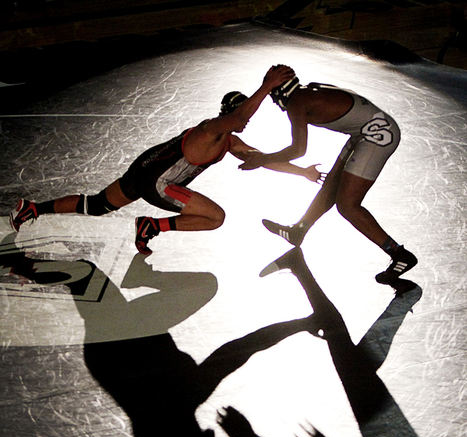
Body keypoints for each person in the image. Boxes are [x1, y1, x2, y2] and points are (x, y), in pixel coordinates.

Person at [9, 66, 324, 256]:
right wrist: (267, 86)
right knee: (216, 217)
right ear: (227, 114)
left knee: (97, 205)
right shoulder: (213, 128)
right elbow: (240, 115)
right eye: (239, 116)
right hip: (161, 183)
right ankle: (152, 226)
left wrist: (302, 173)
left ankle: (33, 208)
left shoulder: (228, 140)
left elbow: (264, 160)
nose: (246, 121)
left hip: (144, 168)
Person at [239, 67, 417, 286]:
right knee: (330, 187)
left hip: (376, 136)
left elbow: (298, 150)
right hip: (366, 132)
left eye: (271, 95)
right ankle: (298, 232)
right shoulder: (306, 91)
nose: (274, 102)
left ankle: (399, 254)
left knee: (347, 205)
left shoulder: (297, 103)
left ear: (278, 92)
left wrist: (262, 159)